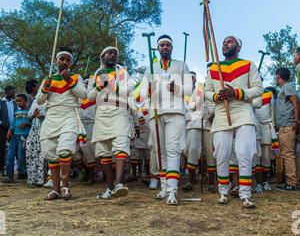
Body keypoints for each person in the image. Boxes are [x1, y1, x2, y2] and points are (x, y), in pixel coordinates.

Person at [204, 36, 263, 208]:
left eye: (230, 42)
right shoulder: (214, 68)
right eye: (223, 42)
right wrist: (217, 96)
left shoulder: (248, 64)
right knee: (221, 154)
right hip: (222, 113)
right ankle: (223, 191)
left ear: (238, 47)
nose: (225, 44)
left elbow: (259, 88)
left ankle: (245, 194)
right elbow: (206, 91)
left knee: (244, 153)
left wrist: (237, 93)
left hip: (243, 112)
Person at [141, 34, 192, 205]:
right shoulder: (150, 67)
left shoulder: (181, 65)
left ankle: (172, 190)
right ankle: (164, 187)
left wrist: (177, 88)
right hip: (156, 113)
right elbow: (141, 93)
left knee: (173, 150)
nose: (164, 48)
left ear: (171, 48)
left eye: (167, 45)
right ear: (157, 48)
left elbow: (190, 88)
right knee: (160, 151)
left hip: (176, 112)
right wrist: (148, 90)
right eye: (161, 45)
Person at [37, 47, 87, 200]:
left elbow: (83, 95)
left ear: (70, 62)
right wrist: (45, 87)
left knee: (65, 150)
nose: (64, 62)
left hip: (69, 115)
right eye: (61, 59)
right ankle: (56, 189)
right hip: (51, 116)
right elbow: (39, 101)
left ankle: (66, 186)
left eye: (67, 59)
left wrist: (69, 81)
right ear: (56, 61)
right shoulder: (48, 78)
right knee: (51, 154)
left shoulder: (76, 77)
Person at [88, 46, 135, 200]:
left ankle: (119, 184)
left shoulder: (122, 72)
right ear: (102, 57)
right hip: (101, 114)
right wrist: (99, 85)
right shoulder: (96, 74)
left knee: (121, 145)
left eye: (115, 53)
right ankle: (109, 188)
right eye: (109, 53)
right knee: (103, 152)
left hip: (119, 111)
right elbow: (89, 97)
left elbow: (130, 89)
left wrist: (113, 85)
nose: (112, 55)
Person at [274, 67, 299, 191]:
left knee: (288, 154)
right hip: (284, 126)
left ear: (279, 76)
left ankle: (291, 183)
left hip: (288, 125)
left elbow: (296, 102)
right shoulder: (283, 89)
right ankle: (292, 181)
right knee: (287, 154)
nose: (275, 79)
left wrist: (296, 120)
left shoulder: (287, 86)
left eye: (276, 76)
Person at [4, 94, 31, 183]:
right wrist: (10, 130)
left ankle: (23, 172)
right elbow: (13, 123)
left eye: (20, 101)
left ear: (26, 101)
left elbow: (33, 124)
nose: (18, 103)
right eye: (17, 101)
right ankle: (9, 176)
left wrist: (26, 124)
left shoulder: (30, 112)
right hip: (14, 136)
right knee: (9, 156)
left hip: (23, 137)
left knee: (21, 156)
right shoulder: (16, 112)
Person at [26, 98, 47, 187]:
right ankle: (32, 179)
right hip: (34, 131)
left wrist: (42, 116)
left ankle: (42, 180)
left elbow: (54, 116)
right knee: (31, 155)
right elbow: (29, 117)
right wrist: (34, 115)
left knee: (43, 156)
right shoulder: (35, 101)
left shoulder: (51, 100)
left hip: (46, 130)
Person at [0, 86, 16, 176]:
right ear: (7, 92)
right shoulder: (1, 102)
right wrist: (1, 123)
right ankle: (1, 169)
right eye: (13, 92)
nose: (14, 94)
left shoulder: (14, 102)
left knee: (14, 148)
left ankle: (14, 170)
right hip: (2, 129)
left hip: (13, 129)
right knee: (1, 148)